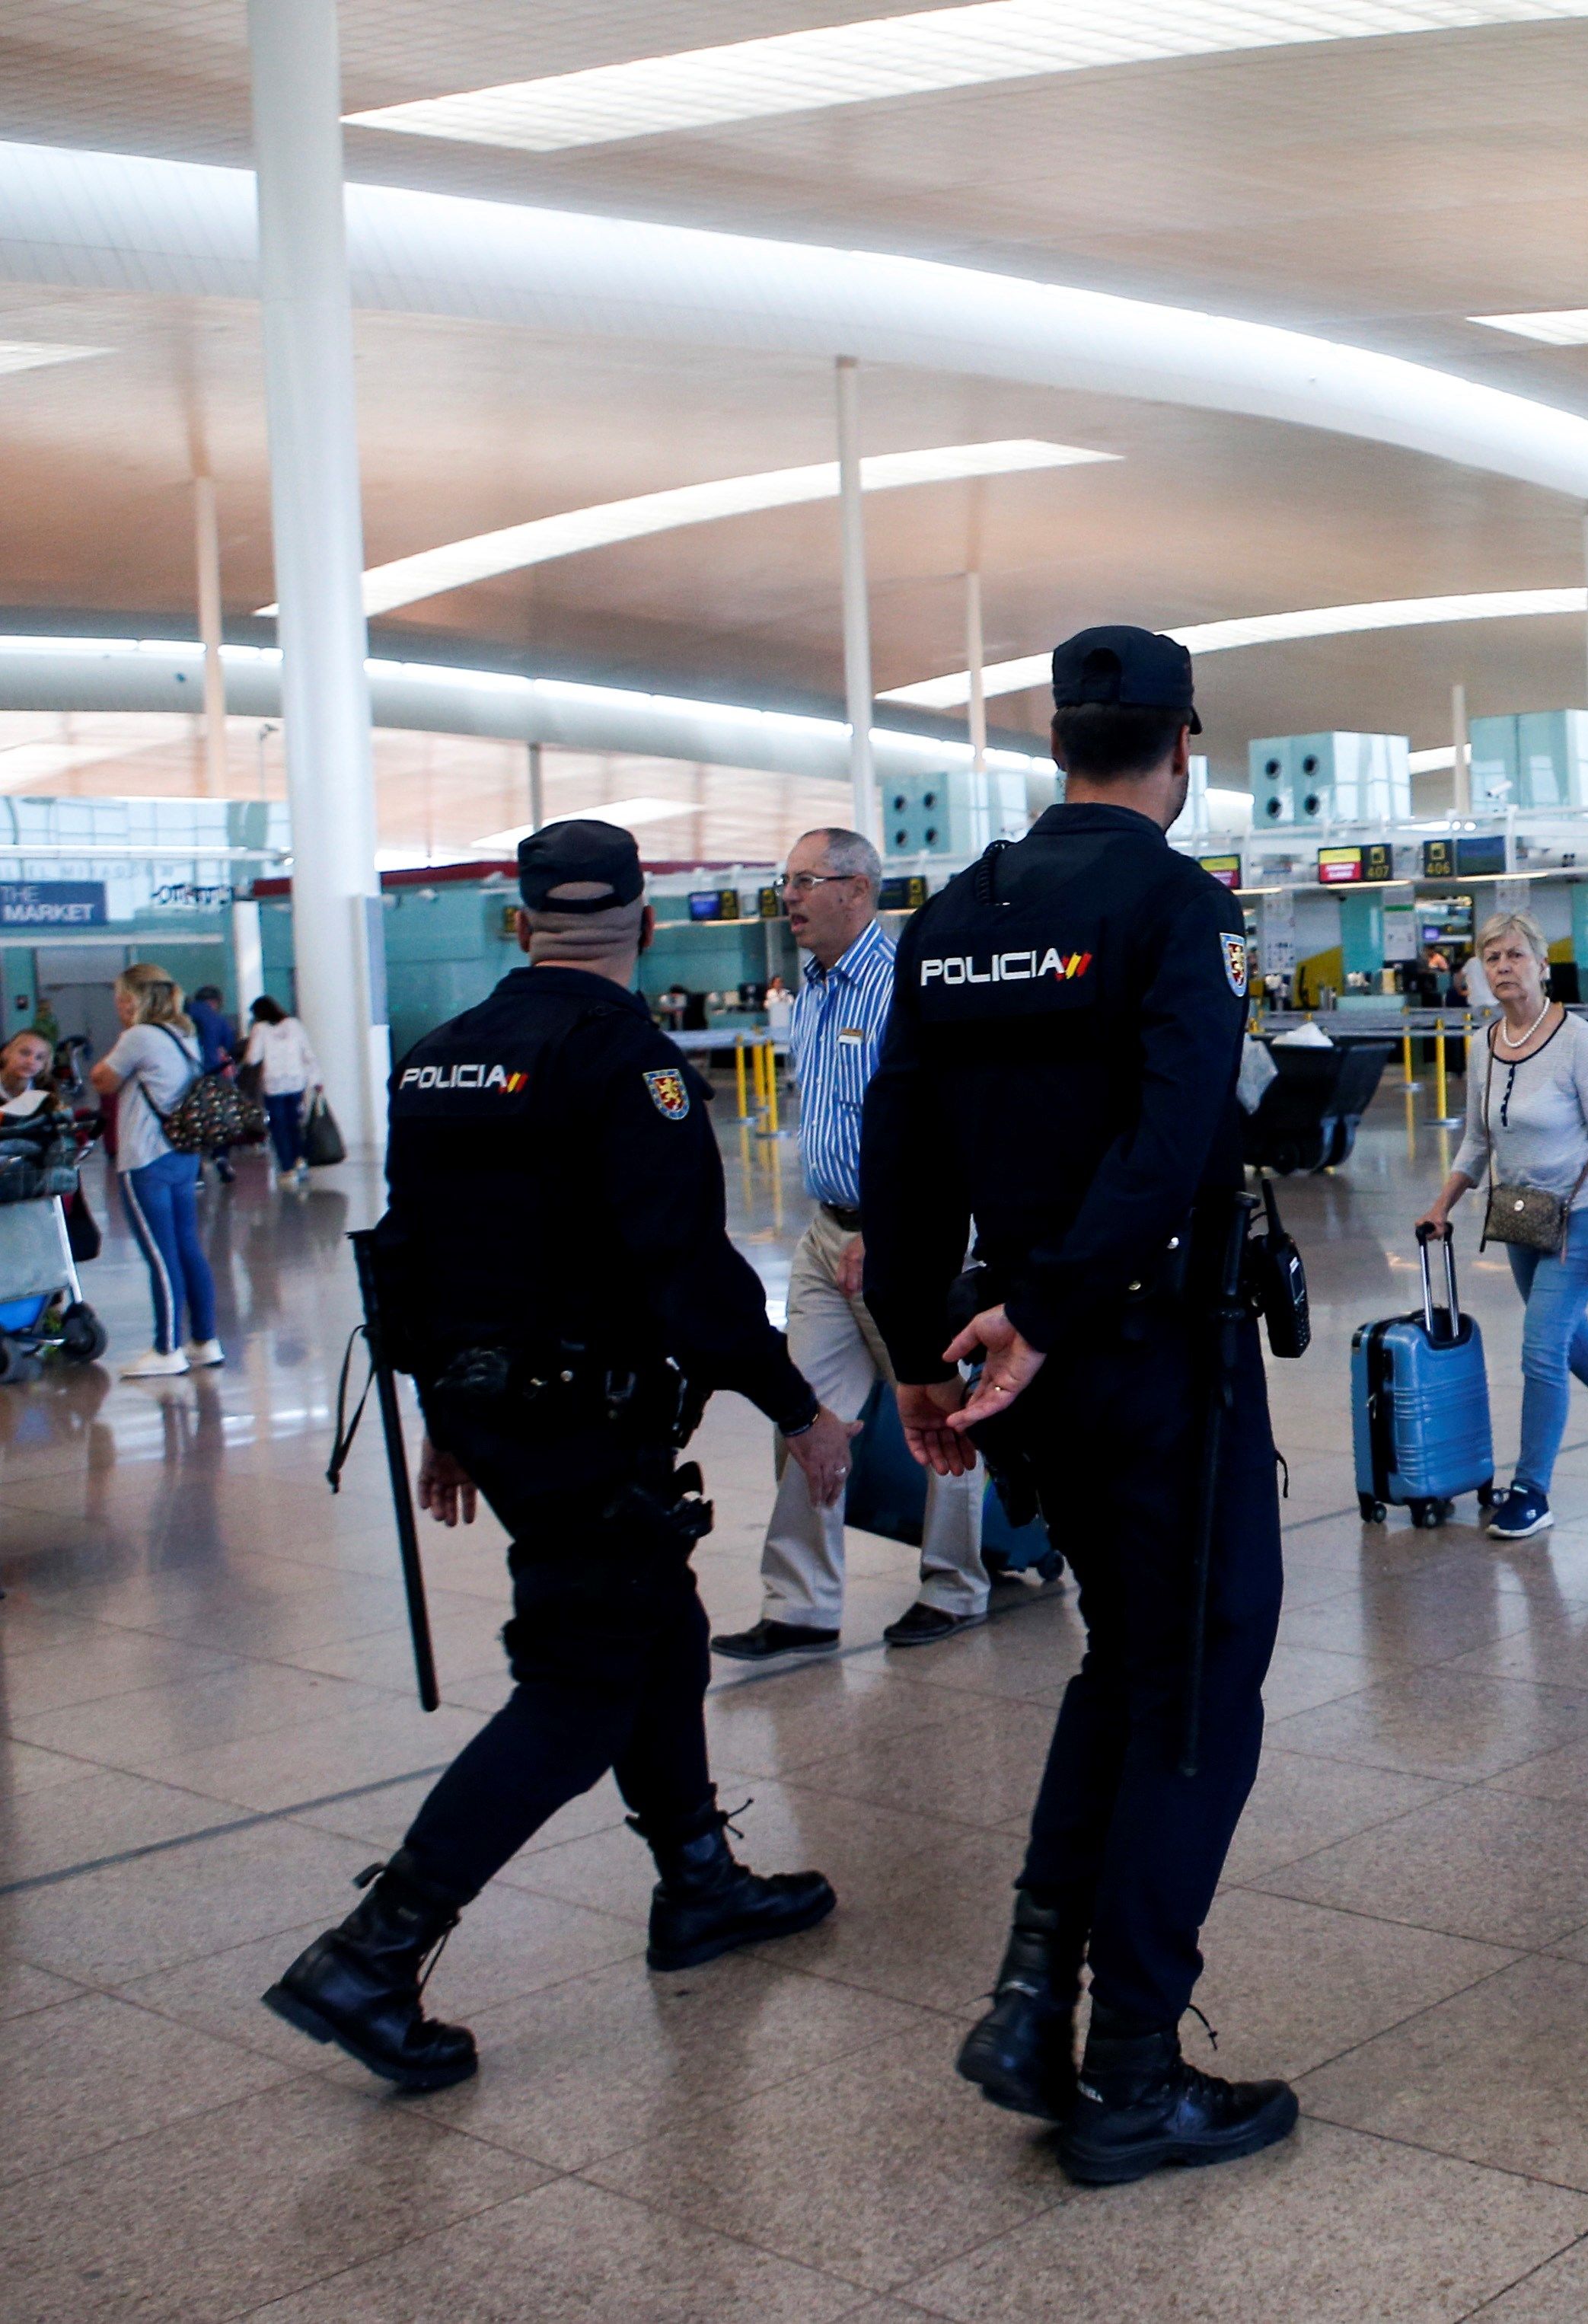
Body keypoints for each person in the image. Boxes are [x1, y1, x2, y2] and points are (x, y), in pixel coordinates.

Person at [260, 821, 850, 2093]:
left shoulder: (437, 1063)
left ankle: (695, 1880)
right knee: (577, 1685)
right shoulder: (626, 1061)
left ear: (515, 924)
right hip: (590, 1421)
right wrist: (799, 1407)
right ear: (643, 923)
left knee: (662, 1629)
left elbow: (410, 1257)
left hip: (497, 1415)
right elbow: (686, 1273)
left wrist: (447, 1413)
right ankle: (376, 1948)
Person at [860, 624, 1296, 2185]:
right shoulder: (1181, 904)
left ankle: (1033, 1997)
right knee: (1199, 1680)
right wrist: (1049, 1314)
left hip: (1008, 1357)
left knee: (1123, 1659)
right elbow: (1179, 1133)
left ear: (1058, 744)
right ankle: (1132, 2069)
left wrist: (924, 1349)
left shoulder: (954, 914)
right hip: (1144, 1350)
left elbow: (894, 1148)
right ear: (1181, 743)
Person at [716, 826, 999, 1661]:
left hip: (901, 1237)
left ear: (858, 891)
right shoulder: (810, 990)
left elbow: (952, 1123)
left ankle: (957, 1586)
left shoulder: (907, 987)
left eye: (807, 881)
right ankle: (800, 1603)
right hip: (824, 1233)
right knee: (804, 1414)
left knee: (945, 1406)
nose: (790, 898)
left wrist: (896, 1229)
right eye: (786, 883)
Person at [1413, 908, 1588, 1541]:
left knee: (1541, 1348)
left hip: (1583, 1218)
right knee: (1569, 1339)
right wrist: (1441, 1204)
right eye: (1492, 958)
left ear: (1542, 965)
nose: (1502, 967)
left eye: (1514, 956)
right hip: (1523, 1217)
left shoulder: (1580, 1042)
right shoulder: (1485, 1045)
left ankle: (1532, 1488)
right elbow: (1477, 1140)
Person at [85, 966, 221, 1377]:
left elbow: (102, 1080)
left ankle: (166, 1349)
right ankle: (205, 1340)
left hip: (145, 1158)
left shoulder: (138, 1036)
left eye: (120, 998)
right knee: (187, 1249)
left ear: (132, 999)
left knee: (161, 1256)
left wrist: (120, 1040)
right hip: (182, 1155)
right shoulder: (185, 1034)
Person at [241, 996, 317, 1190]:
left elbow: (252, 1058)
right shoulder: (294, 1025)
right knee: (294, 1123)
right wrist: (316, 1080)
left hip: (274, 1084)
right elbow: (307, 1053)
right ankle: (300, 1158)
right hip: (295, 1081)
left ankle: (287, 1168)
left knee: (279, 1126)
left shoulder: (260, 1029)